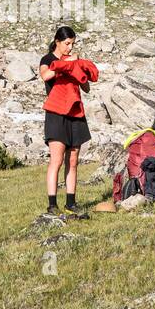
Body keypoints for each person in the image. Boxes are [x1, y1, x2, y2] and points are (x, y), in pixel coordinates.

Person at [39, 25, 98, 218]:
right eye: (67, 44)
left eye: (72, 44)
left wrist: (77, 67)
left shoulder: (73, 60)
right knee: (56, 160)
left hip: (75, 113)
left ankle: (71, 203)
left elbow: (87, 87)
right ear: (57, 41)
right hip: (56, 114)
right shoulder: (48, 59)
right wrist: (65, 65)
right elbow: (45, 76)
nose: (70, 48)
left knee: (73, 161)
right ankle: (52, 204)